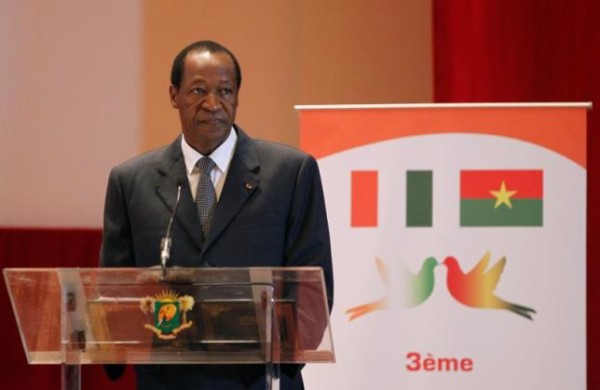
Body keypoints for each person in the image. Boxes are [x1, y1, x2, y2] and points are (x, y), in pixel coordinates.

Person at [99, 40, 334, 389]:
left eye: (225, 90)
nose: (213, 104)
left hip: (259, 379)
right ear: (173, 94)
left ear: (237, 96)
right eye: (198, 90)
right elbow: (114, 290)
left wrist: (286, 354)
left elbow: (315, 285)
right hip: (168, 380)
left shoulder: (290, 173)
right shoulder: (131, 181)